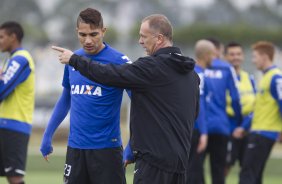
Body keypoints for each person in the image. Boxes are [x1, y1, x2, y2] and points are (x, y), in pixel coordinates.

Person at [52, 14, 200, 184]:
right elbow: (194, 113)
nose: (140, 41)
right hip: (180, 163)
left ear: (159, 39)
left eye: (143, 36)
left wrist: (75, 60)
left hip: (153, 162)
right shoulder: (191, 75)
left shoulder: (152, 67)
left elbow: (111, 74)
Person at [40, 8, 131, 184]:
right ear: (77, 32)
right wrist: (47, 134)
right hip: (76, 149)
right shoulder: (72, 60)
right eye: (82, 34)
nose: (88, 40)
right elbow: (66, 99)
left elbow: (140, 103)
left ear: (104, 31)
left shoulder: (119, 61)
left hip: (107, 150)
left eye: (93, 34)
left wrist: (133, 144)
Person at [239, 41, 282, 184]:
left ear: (264, 57)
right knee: (255, 176)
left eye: (255, 56)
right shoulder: (266, 77)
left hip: (263, 133)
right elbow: (258, 110)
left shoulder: (275, 77)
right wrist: (244, 128)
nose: (253, 60)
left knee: (247, 175)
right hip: (259, 132)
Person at [202, 38, 241, 184]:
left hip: (200, 126)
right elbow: (236, 98)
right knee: (218, 171)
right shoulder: (226, 68)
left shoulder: (196, 67)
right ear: (217, 50)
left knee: (194, 169)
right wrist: (238, 120)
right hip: (220, 126)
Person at [0, 21, 35, 184]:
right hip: (5, 125)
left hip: (14, 126)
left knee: (14, 177)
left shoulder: (20, 59)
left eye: (1, 37)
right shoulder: (12, 59)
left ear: (13, 37)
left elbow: (1, 90)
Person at [224, 42, 256, 176]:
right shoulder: (223, 78)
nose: (235, 57)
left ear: (243, 56)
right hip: (228, 130)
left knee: (248, 169)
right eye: (232, 54)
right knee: (224, 167)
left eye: (238, 54)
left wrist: (244, 127)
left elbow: (256, 105)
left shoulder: (249, 78)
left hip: (247, 130)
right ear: (225, 57)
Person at [187, 39, 216, 184]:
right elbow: (200, 105)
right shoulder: (201, 76)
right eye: (213, 55)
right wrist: (204, 133)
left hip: (187, 128)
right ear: (206, 55)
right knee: (194, 171)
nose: (215, 58)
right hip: (196, 130)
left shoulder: (190, 72)